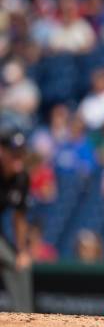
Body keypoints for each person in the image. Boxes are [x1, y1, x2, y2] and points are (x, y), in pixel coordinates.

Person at [0, 131, 33, 312]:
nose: (18, 158)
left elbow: (19, 217)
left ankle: (24, 317)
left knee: (19, 263)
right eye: (14, 154)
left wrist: (22, 251)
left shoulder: (21, 178)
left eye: (21, 153)